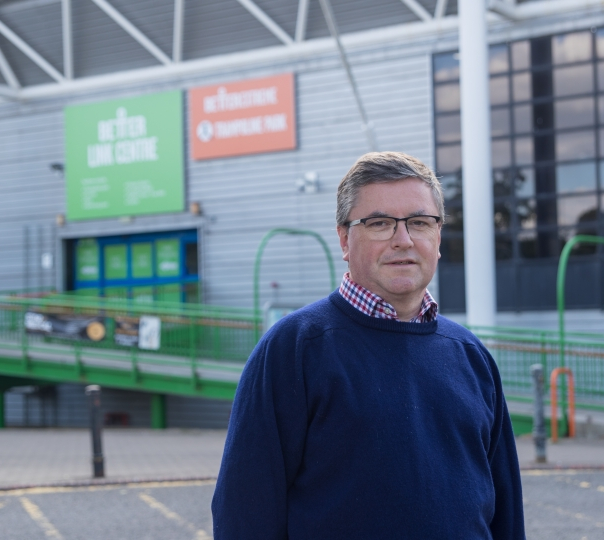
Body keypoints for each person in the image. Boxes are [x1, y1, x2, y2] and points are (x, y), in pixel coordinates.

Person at [212, 151, 525, 539]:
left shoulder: (471, 356)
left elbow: (506, 513)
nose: (403, 240)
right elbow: (245, 510)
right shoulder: (294, 350)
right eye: (379, 223)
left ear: (438, 236)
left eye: (420, 222)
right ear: (345, 238)